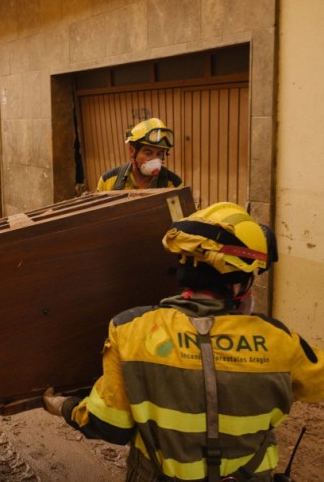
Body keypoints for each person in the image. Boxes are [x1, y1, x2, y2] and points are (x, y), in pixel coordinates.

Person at [42, 202, 324, 481]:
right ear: (239, 282)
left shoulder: (130, 329)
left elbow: (109, 425)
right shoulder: (281, 342)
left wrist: (62, 405)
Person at [97, 117, 182, 191]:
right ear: (132, 151)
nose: (154, 159)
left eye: (159, 154)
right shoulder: (107, 181)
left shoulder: (174, 184)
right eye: (148, 153)